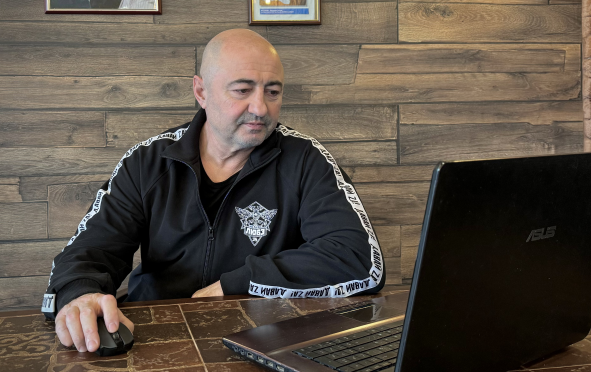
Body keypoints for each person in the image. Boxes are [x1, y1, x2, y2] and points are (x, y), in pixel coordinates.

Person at [42, 29, 385, 353]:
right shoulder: (148, 162)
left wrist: (240, 282)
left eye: (272, 92)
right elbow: (91, 250)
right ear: (201, 92)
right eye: (242, 90)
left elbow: (358, 259)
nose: (260, 108)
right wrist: (79, 294)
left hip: (265, 340)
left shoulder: (307, 161)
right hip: (156, 337)